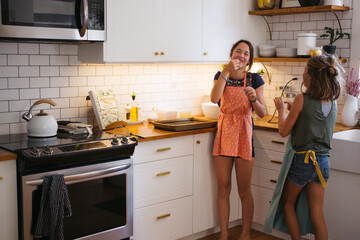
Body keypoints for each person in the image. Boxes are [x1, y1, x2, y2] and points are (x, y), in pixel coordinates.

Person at [263, 54, 344, 240]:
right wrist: (296, 111)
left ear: (312, 76)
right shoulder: (332, 101)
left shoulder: (302, 98)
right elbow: (314, 121)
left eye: (305, 70)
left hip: (302, 162)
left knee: (287, 202)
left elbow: (283, 131)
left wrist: (282, 110)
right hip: (323, 164)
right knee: (317, 214)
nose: (302, 73)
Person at [210, 39, 266, 240]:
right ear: (231, 54)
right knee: (223, 187)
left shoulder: (254, 79)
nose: (241, 56)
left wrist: (253, 99)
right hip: (224, 134)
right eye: (238, 51)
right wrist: (225, 72)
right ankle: (224, 234)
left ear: (249, 60)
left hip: (244, 135)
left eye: (246, 54)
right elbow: (214, 99)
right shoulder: (220, 75)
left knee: (244, 190)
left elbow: (262, 113)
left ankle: (245, 234)